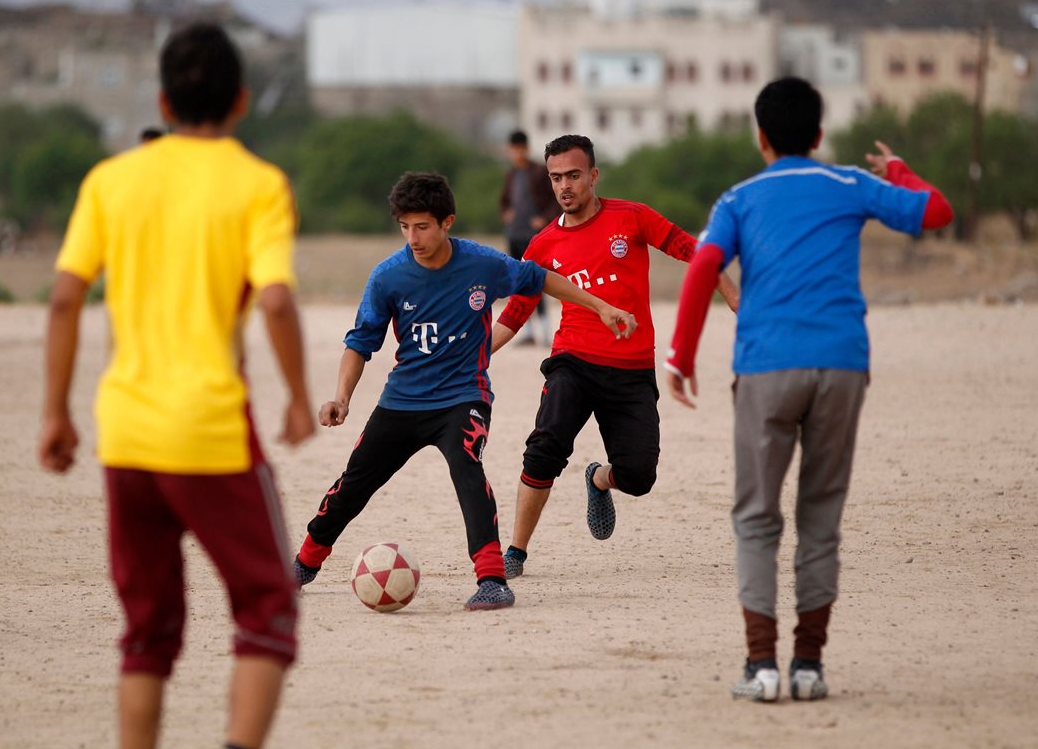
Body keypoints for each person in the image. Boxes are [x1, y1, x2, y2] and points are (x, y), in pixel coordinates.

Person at [38, 23, 314, 749]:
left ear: (162, 101)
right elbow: (278, 301)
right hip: (212, 433)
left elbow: (65, 298)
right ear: (242, 101)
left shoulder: (111, 180)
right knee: (266, 605)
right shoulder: (258, 184)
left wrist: (55, 415)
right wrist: (294, 393)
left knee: (148, 629)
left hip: (125, 434)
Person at [665, 77, 953, 703]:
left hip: (768, 366)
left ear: (761, 136)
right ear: (819, 135)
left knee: (756, 514)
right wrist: (900, 170)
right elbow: (936, 212)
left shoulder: (739, 198)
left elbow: (706, 268)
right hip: (842, 364)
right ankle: (810, 667)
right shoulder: (849, 183)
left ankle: (762, 667)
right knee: (820, 517)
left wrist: (681, 357)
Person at [293, 171, 637, 611]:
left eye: (422, 226)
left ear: (447, 222)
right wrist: (342, 396)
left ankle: (492, 580)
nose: (413, 237)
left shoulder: (482, 265)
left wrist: (602, 306)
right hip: (401, 402)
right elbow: (359, 344)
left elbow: (541, 278)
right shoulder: (388, 277)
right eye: (404, 227)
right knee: (353, 486)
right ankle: (303, 565)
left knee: (467, 470)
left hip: (462, 398)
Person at [493, 134, 739, 579]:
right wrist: (475, 354)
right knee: (544, 447)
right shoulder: (542, 246)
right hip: (573, 361)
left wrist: (728, 289)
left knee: (640, 476)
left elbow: (693, 249)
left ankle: (599, 479)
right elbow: (515, 313)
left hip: (631, 369)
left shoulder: (632, 217)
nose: (564, 186)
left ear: (593, 175)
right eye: (555, 178)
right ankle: (515, 552)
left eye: (572, 175)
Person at [499, 130, 559, 345]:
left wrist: (543, 218)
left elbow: (555, 200)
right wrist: (506, 213)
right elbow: (504, 201)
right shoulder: (511, 175)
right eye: (513, 150)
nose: (517, 154)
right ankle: (526, 331)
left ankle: (544, 329)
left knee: (537, 279)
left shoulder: (539, 172)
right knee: (518, 282)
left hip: (534, 236)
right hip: (515, 233)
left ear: (526, 148)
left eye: (520, 149)